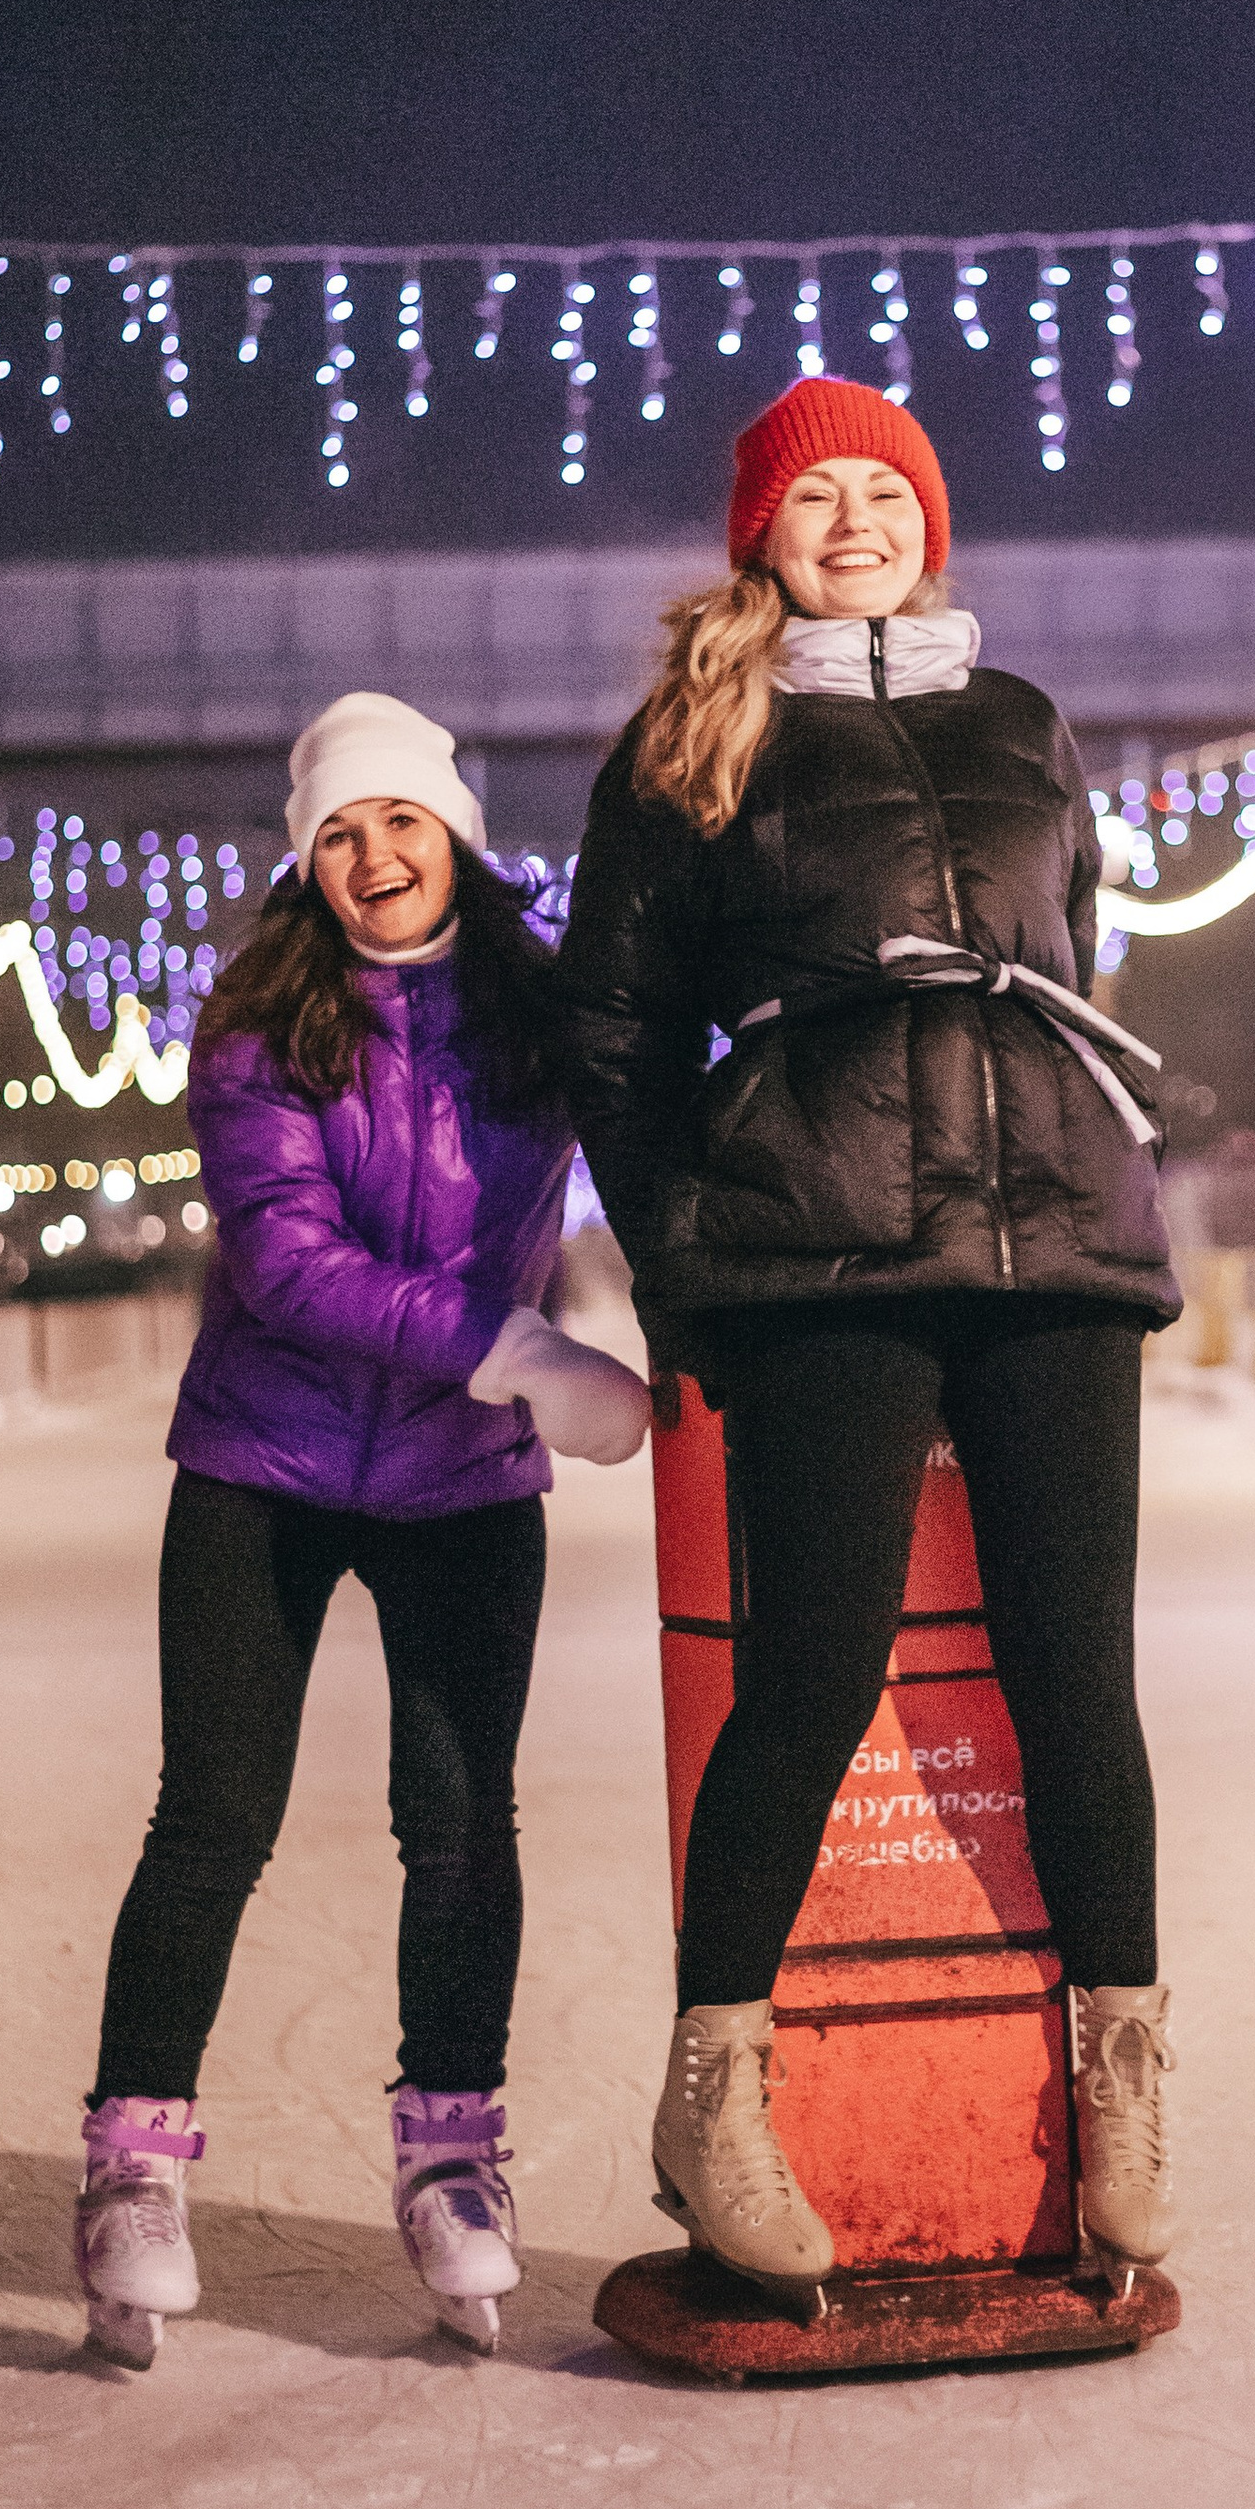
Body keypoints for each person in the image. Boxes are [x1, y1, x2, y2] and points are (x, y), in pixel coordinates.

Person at [557, 376, 1182, 2308]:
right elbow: (612, 1031)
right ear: (761, 531)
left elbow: (1065, 950)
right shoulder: (701, 738)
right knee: (806, 1684)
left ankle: (1126, 2076)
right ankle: (712, 2090)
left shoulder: (1025, 723)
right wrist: (685, 1271)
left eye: (884, 489)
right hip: (823, 1249)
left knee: (1081, 1679)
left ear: (932, 521)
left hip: (1055, 1242)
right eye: (814, 493)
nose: (854, 518)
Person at [74, 691, 651, 2362]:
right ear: (307, 859)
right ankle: (132, 2165)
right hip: (265, 1459)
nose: (371, 855)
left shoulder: (544, 1010)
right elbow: (288, 1261)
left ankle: (455, 2158)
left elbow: (679, 1102)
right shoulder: (263, 1024)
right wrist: (524, 1351)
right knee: (215, 1817)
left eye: (397, 820)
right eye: (337, 831)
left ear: (453, 831)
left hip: (463, 1486)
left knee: (462, 1822)